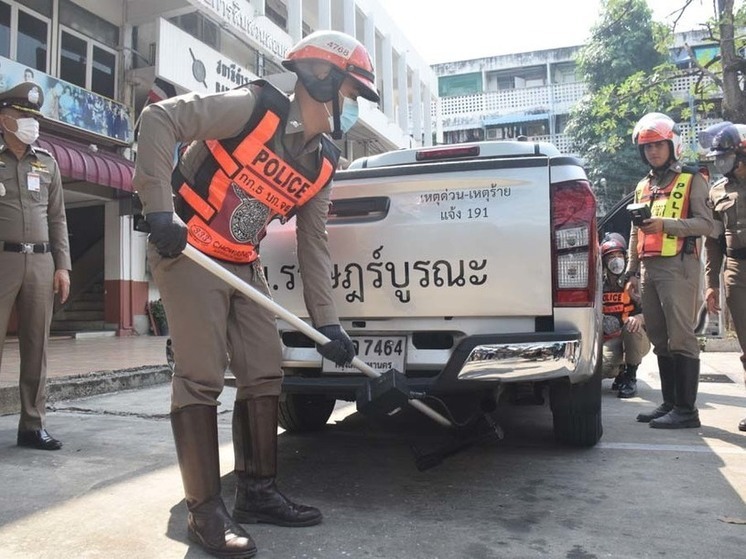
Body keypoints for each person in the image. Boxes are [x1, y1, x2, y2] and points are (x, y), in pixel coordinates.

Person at [132, 30, 378, 558]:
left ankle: (258, 491)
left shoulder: (324, 163)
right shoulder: (252, 107)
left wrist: (328, 325)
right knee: (200, 374)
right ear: (322, 79)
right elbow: (159, 120)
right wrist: (159, 208)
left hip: (241, 260)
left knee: (265, 368)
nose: (353, 110)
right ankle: (204, 512)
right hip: (189, 247)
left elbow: (314, 244)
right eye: (353, 95)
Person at [626, 112, 714, 429]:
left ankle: (687, 410)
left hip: (680, 267)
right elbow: (636, 232)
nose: (653, 152)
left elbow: (708, 225)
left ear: (672, 144)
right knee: (661, 338)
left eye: (659, 145)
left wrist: (666, 225)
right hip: (649, 269)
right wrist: (631, 271)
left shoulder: (692, 179)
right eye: (647, 147)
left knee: (681, 337)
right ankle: (670, 403)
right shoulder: (643, 185)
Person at [0, 82, 71, 450]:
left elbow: (58, 218)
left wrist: (63, 267)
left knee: (36, 346)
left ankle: (32, 425)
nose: (31, 123)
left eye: (34, 118)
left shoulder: (47, 162)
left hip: (42, 262)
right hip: (3, 260)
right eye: (24, 116)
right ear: (5, 118)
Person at [699, 122, 746, 432]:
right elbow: (713, 242)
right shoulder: (717, 191)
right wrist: (711, 284)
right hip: (736, 271)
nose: (720, 162)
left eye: (726, 156)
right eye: (718, 158)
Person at [600, 233, 651, 398]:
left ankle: (630, 377)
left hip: (635, 337)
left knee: (631, 326)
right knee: (602, 368)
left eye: (619, 255)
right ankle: (618, 370)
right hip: (610, 340)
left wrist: (639, 318)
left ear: (625, 257)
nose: (615, 260)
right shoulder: (598, 285)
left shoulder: (635, 283)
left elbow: (653, 312)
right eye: (610, 256)